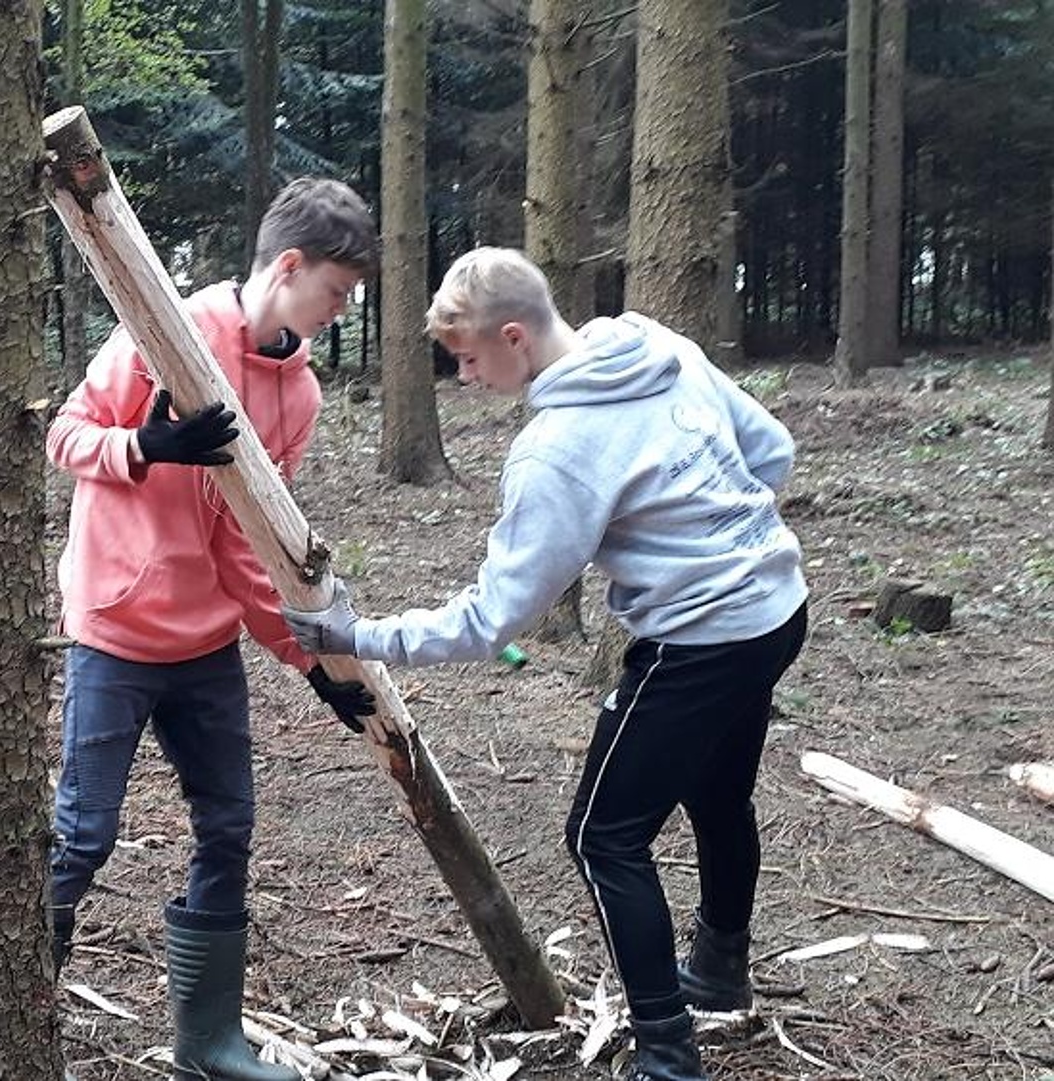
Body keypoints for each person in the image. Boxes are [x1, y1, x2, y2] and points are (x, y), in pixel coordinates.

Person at [282, 247, 808, 1081]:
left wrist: (359, 634)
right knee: (717, 792)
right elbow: (771, 450)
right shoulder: (653, 343)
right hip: (778, 608)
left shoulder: (557, 449)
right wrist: (719, 535)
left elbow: (490, 620)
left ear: (514, 338)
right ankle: (717, 968)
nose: (465, 378)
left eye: (467, 359)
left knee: (603, 836)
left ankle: (668, 1055)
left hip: (702, 641)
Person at [46, 177, 378, 1081]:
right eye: (338, 290)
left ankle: (209, 1041)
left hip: (206, 646)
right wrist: (143, 448)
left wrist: (310, 661)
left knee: (228, 826)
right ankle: (17, 1006)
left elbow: (249, 545)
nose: (343, 310)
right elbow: (65, 435)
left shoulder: (299, 396)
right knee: (84, 833)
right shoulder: (167, 332)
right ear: (290, 265)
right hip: (115, 628)